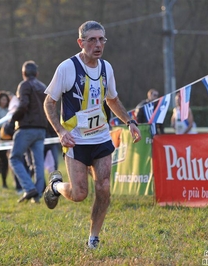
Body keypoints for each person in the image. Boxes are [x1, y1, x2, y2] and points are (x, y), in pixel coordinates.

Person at [43, 21, 141, 249]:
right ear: (81, 42)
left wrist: (130, 121)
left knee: (104, 186)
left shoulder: (107, 68)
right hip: (75, 140)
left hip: (100, 137)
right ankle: (55, 186)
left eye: (102, 39)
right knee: (79, 194)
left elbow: (112, 99)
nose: (98, 44)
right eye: (92, 40)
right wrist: (60, 131)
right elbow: (49, 102)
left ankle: (93, 238)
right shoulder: (67, 68)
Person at [9, 60, 47, 203]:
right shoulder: (43, 86)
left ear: (23, 73)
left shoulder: (24, 85)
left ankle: (29, 188)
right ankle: (36, 196)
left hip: (26, 128)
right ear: (37, 73)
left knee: (14, 158)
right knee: (39, 164)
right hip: (41, 129)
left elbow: (24, 104)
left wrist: (13, 119)